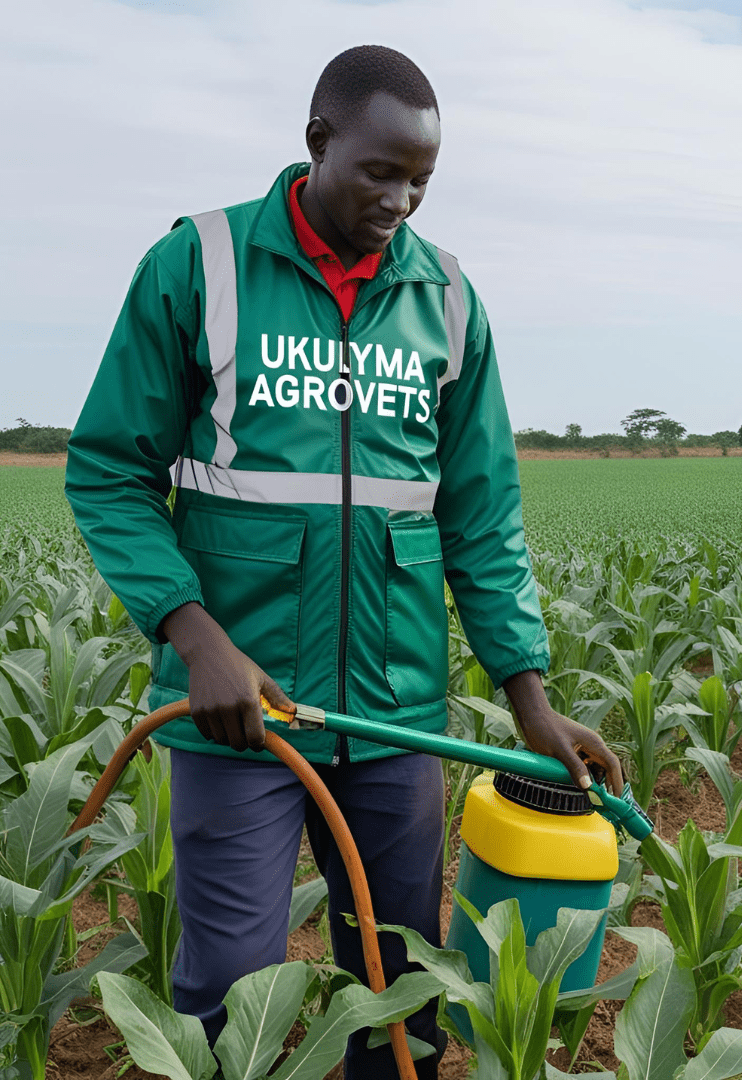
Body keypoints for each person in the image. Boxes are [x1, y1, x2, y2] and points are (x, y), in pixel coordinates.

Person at [65, 45, 623, 1079]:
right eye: (380, 171)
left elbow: (482, 515)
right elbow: (109, 473)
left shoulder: (448, 301)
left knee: (399, 988)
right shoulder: (201, 266)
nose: (402, 200)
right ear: (319, 141)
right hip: (244, 719)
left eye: (422, 181)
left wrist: (529, 694)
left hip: (395, 714)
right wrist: (196, 640)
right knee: (232, 996)